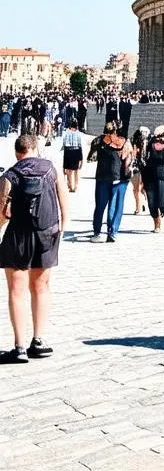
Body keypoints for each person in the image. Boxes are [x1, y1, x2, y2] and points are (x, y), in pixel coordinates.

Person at [0, 134, 70, 363]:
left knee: (16, 290)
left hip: (18, 235)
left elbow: (2, 211)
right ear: (35, 148)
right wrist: (60, 229)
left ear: (17, 152)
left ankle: (19, 347)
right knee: (41, 286)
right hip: (46, 233)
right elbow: (63, 202)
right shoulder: (51, 169)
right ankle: (38, 340)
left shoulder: (9, 175)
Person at [87, 122, 132, 243]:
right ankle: (112, 232)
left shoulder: (99, 140)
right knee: (115, 206)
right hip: (117, 176)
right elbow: (126, 159)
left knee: (100, 206)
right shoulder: (124, 142)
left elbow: (91, 157)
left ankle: (97, 232)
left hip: (102, 176)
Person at [141, 128, 164, 231]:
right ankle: (156, 223)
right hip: (149, 174)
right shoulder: (150, 142)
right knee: (151, 201)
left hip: (162, 174)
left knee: (161, 201)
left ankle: (163, 211)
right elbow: (144, 157)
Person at [60, 117, 84, 193]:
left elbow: (64, 145)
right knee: (76, 170)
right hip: (77, 151)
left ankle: (70, 185)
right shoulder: (78, 133)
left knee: (68, 171)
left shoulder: (66, 132)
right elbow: (80, 145)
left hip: (68, 151)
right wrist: (81, 158)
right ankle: (75, 186)